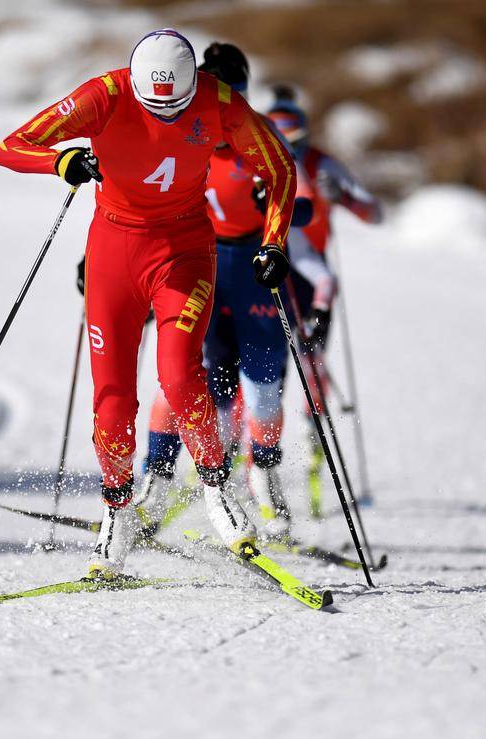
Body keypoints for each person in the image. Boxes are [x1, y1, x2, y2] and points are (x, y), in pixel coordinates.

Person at [0, 29, 297, 579]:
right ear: (135, 86)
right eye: (153, 107)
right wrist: (61, 163)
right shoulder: (103, 96)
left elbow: (279, 168)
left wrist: (273, 243)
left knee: (180, 375)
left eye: (176, 108)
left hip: (183, 252)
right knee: (112, 401)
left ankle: (216, 484)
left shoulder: (219, 100)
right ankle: (118, 510)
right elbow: (10, 147)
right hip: (114, 254)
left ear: (193, 88)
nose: (165, 118)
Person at [134, 43, 313, 540]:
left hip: (253, 270)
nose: (223, 106)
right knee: (179, 377)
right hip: (198, 269)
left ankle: (264, 476)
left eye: (234, 94)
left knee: (261, 390)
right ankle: (157, 478)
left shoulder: (262, 137)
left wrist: (275, 203)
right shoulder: (176, 139)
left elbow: (306, 210)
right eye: (215, 94)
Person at [265, 87, 382, 511]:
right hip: (271, 272)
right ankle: (259, 473)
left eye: (293, 142)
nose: (287, 151)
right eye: (278, 141)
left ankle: (315, 461)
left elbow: (376, 213)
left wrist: (344, 196)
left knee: (313, 372)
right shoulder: (256, 157)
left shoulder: (321, 164)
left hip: (314, 277)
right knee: (265, 377)